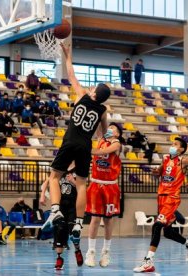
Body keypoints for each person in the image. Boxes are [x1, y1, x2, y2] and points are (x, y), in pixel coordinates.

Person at [42, 43, 111, 246]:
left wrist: (68, 56)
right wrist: (101, 132)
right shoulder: (103, 110)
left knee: (54, 176)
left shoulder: (81, 95)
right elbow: (102, 133)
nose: (91, 88)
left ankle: (55, 211)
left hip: (70, 140)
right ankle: (79, 224)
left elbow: (71, 74)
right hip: (85, 146)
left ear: (94, 93)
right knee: (81, 184)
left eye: (93, 88)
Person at [134, 137, 188, 273]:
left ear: (182, 149)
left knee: (157, 225)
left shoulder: (183, 161)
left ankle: (148, 261)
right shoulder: (166, 158)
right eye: (172, 143)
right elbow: (159, 173)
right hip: (161, 197)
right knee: (167, 232)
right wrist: (156, 173)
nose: (172, 145)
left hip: (172, 198)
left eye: (176, 144)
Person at [84, 122, 124, 268]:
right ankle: (91, 252)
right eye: (109, 127)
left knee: (108, 221)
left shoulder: (117, 144)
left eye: (113, 128)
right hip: (95, 183)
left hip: (110, 186)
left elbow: (101, 152)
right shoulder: (101, 138)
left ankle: (106, 251)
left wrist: (87, 149)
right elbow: (101, 122)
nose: (109, 129)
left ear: (118, 133)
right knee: (94, 219)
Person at [41, 162, 84, 270]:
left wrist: (73, 181)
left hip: (73, 205)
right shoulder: (59, 167)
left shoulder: (78, 169)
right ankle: (59, 258)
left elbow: (83, 188)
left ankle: (77, 250)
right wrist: (42, 195)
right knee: (59, 230)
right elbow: (47, 181)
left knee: (72, 231)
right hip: (60, 204)